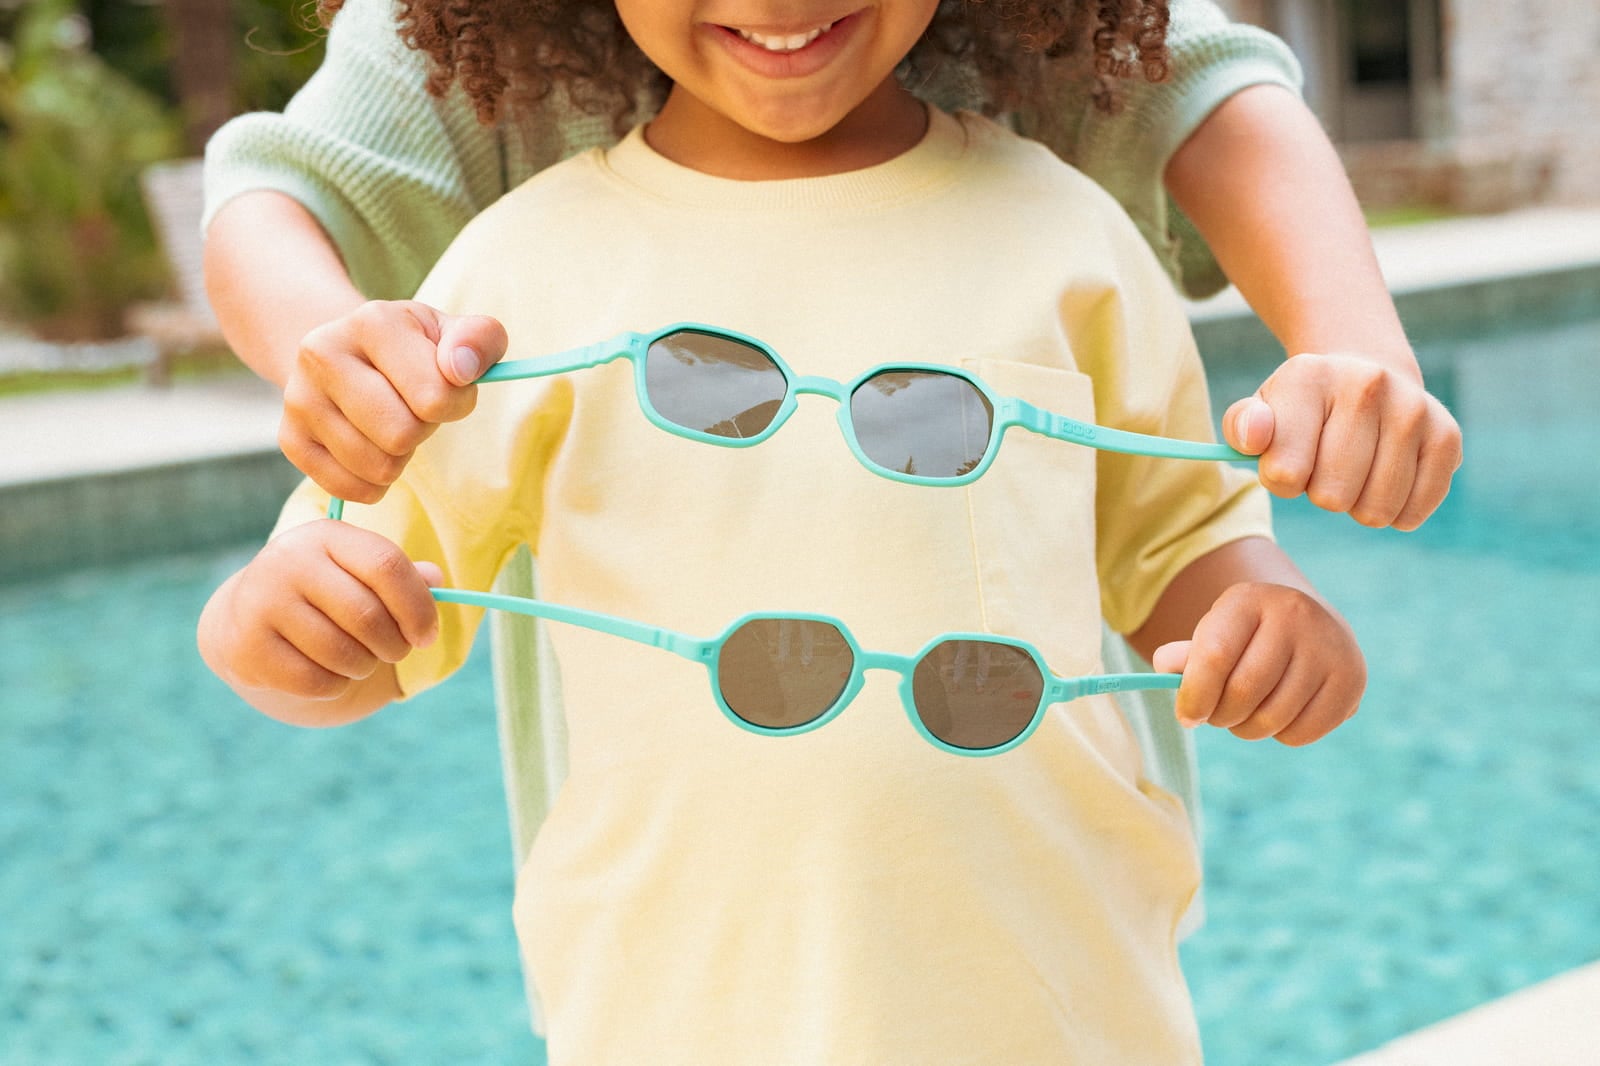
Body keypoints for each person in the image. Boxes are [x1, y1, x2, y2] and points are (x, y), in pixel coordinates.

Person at [198, 1, 1370, 1060]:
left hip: (1067, 1010)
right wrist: (275, 631)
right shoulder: (517, 278)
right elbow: (357, 621)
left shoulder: (1070, 234)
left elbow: (1184, 551)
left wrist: (1272, 627)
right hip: (674, 1016)